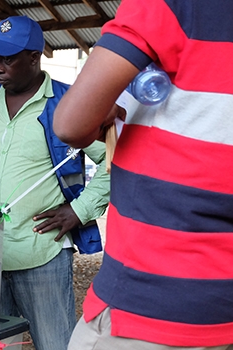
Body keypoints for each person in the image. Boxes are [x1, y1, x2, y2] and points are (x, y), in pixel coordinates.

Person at [53, 1, 233, 349]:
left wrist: (100, 105)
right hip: (222, 305)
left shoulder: (173, 5)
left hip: (147, 303)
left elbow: (69, 123)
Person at [0, 16, 113, 350]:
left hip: (41, 254)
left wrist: (80, 209)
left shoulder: (67, 103)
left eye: (8, 58)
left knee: (55, 343)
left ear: (34, 57)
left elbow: (113, 161)